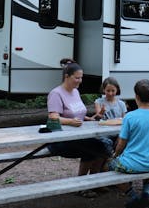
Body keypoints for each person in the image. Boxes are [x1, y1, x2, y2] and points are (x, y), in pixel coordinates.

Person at [46, 59, 113, 197]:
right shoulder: (56, 93)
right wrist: (70, 121)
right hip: (60, 140)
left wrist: (91, 118)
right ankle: (82, 186)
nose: (80, 80)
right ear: (67, 76)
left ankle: (94, 183)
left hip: (79, 136)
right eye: (77, 77)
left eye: (81, 77)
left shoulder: (75, 91)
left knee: (103, 144)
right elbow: (52, 118)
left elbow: (79, 114)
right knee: (97, 147)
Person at [107, 79, 149, 208]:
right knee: (147, 164)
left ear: (136, 96)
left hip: (132, 162)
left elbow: (121, 144)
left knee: (107, 167)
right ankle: (146, 192)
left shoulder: (130, 117)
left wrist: (115, 155)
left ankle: (134, 197)